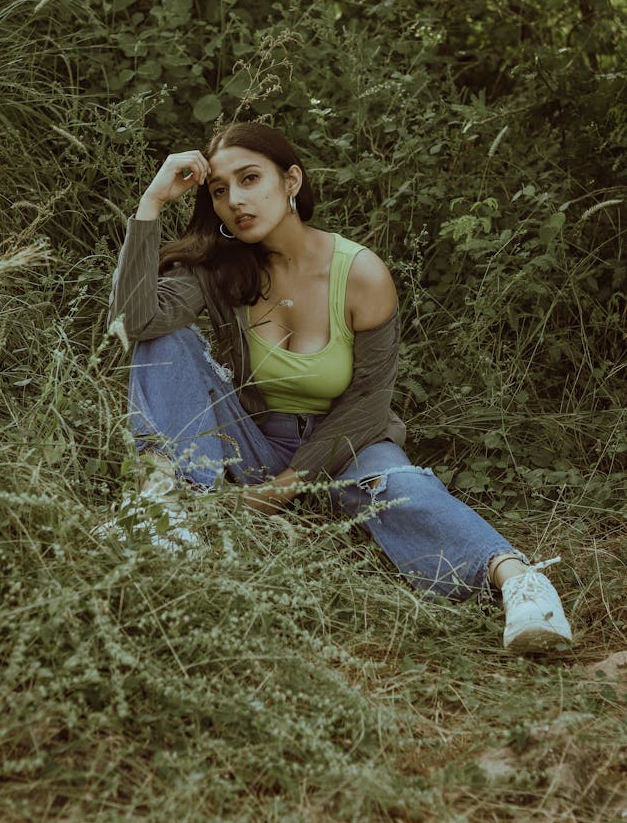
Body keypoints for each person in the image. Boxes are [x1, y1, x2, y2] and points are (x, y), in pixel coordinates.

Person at [107, 121, 573, 653]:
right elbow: (132, 323)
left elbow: (368, 405)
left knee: (403, 485)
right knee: (165, 343)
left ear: (292, 181)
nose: (236, 200)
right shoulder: (220, 269)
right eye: (219, 190)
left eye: (251, 178)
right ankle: (169, 512)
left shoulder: (360, 274)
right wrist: (151, 202)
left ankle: (521, 585)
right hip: (250, 440)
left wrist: (282, 489)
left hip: (346, 444)